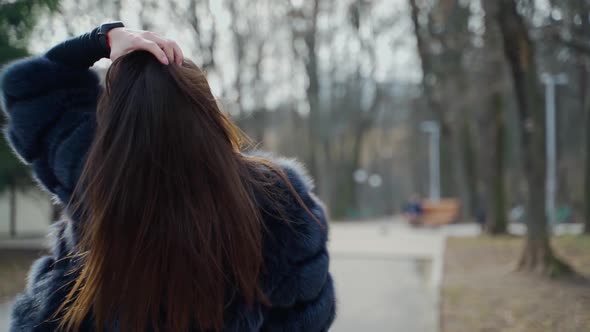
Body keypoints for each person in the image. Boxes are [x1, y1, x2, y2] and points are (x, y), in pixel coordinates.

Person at [1, 22, 335, 331]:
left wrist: (103, 39)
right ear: (209, 112)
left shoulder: (93, 182)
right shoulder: (279, 200)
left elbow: (33, 89)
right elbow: (308, 319)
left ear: (111, 124)